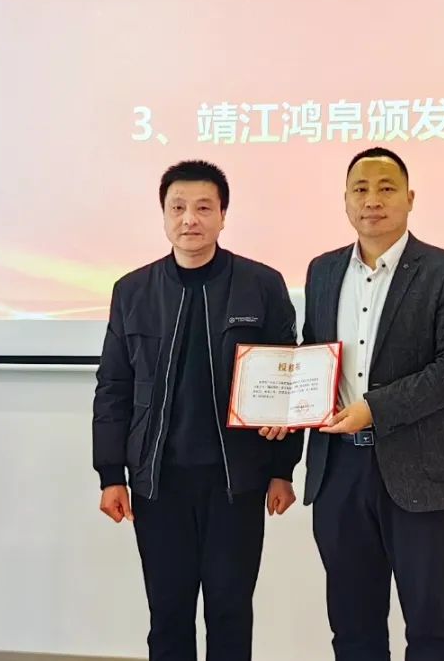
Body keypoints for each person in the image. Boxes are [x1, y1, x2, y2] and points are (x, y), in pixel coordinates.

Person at [270, 147, 444, 661]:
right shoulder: (323, 271)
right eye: (360, 189)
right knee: (353, 627)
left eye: (386, 188)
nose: (372, 200)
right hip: (338, 471)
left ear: (410, 198)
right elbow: (314, 355)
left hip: (419, 472)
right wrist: (285, 405)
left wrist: (374, 408)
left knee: (430, 628)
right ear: (345, 200)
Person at [92, 160, 301, 661]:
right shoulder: (133, 291)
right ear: (164, 215)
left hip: (237, 481)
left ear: (223, 215)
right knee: (168, 614)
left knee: (230, 611)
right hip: (157, 483)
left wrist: (283, 469)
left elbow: (290, 380)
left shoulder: (261, 285)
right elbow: (114, 387)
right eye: (178, 207)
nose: (190, 219)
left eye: (204, 208)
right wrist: (110, 474)